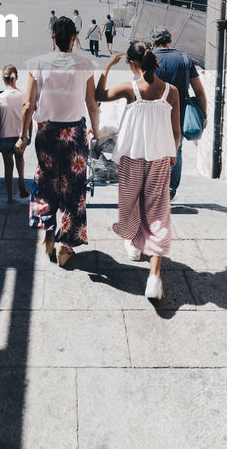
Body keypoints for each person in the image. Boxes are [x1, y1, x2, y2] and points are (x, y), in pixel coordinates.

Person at [95, 43, 180, 300]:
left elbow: (99, 94)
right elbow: (175, 131)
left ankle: (133, 244)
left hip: (132, 158)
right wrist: (173, 152)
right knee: (158, 212)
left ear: (133, 64)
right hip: (160, 158)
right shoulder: (170, 91)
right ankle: (154, 277)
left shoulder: (129, 89)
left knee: (130, 205)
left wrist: (108, 66)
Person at [17, 16, 99, 267]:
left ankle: (49, 233)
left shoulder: (37, 64)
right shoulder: (85, 64)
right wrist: (96, 129)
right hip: (75, 134)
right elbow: (91, 103)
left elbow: (28, 104)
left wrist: (23, 136)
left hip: (47, 133)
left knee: (46, 182)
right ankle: (66, 247)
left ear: (52, 35)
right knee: (74, 189)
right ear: (74, 37)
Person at [150, 28, 208, 201]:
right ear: (170, 41)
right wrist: (203, 115)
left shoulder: (148, 59)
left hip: (153, 112)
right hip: (179, 113)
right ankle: (169, 191)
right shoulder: (185, 59)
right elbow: (199, 91)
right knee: (177, 150)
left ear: (153, 42)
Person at [0, 65, 29, 204]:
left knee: (8, 167)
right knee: (20, 158)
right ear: (16, 77)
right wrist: (28, 136)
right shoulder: (24, 95)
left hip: (4, 137)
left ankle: (10, 197)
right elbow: (28, 117)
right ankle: (22, 184)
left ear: (3, 79)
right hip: (20, 136)